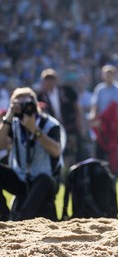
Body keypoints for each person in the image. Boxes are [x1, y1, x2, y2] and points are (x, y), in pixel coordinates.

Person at [0, 87, 63, 221]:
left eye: (27, 104)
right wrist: (9, 116)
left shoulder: (50, 124)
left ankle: (21, 218)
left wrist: (35, 130)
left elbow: (56, 151)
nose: (24, 108)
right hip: (22, 179)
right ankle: (4, 216)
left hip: (46, 181)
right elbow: (1, 145)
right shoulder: (14, 124)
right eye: (19, 105)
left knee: (43, 179)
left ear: (35, 105)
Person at [37, 68, 85, 167]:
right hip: (53, 129)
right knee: (58, 150)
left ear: (56, 80)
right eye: (46, 80)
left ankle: (76, 171)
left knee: (74, 150)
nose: (49, 82)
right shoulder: (40, 96)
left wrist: (79, 121)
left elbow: (77, 107)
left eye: (51, 79)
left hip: (70, 126)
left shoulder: (67, 91)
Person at [89, 65, 118, 175]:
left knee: (113, 150)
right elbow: (95, 106)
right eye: (106, 74)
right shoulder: (99, 89)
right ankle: (99, 173)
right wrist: (93, 117)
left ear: (114, 75)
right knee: (100, 147)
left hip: (115, 125)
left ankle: (112, 172)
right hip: (102, 124)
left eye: (110, 74)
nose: (108, 76)